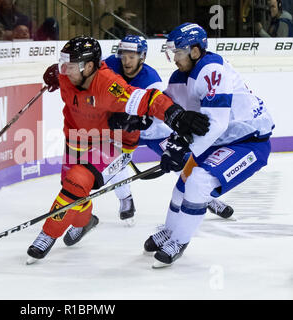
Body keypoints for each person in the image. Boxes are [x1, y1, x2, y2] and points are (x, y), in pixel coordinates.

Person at [26, 35, 211, 264]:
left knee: (77, 180)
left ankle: (48, 233)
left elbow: (149, 100)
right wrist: (54, 70)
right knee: (72, 189)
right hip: (77, 137)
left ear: (89, 66)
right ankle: (85, 222)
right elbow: (59, 70)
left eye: (70, 66)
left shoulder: (108, 85)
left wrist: (176, 115)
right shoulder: (66, 75)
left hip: (113, 140)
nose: (65, 70)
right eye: (64, 64)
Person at [143, 23, 274, 268]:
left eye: (178, 52)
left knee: (198, 182)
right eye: (171, 53)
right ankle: (170, 230)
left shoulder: (212, 70)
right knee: (183, 182)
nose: (174, 59)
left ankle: (179, 241)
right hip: (223, 141)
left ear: (195, 51)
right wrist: (169, 140)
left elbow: (216, 124)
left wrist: (182, 149)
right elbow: (179, 118)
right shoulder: (179, 77)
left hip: (249, 142)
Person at [105, 35, 235, 226]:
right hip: (124, 132)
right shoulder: (110, 65)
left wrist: (140, 121)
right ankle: (125, 199)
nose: (126, 61)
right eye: (124, 56)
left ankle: (207, 198)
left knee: (182, 161)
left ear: (142, 56)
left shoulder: (152, 80)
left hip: (154, 132)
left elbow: (162, 113)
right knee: (113, 163)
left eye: (132, 56)